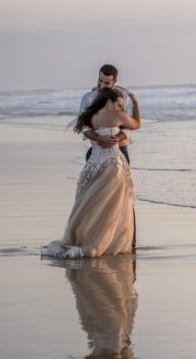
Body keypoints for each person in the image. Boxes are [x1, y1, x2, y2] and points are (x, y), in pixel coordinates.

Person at [43, 87, 141, 258]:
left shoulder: (90, 117)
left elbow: (85, 130)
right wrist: (136, 104)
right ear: (108, 102)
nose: (120, 108)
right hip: (112, 165)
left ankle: (83, 238)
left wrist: (100, 137)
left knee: (90, 205)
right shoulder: (117, 116)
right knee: (110, 208)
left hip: (92, 165)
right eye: (118, 104)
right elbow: (136, 124)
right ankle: (101, 242)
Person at [80, 64, 138, 164]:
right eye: (100, 81)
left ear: (114, 82)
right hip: (96, 149)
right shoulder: (88, 97)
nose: (102, 85)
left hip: (119, 149)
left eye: (106, 83)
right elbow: (83, 125)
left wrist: (116, 139)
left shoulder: (125, 97)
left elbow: (131, 125)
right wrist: (99, 138)